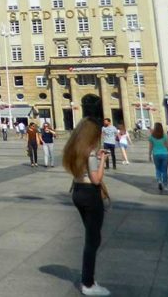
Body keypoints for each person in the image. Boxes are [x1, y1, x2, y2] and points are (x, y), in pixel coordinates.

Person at [63, 118, 111, 296]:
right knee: (93, 239)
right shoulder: (89, 152)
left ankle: (88, 277)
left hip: (78, 192)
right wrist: (102, 160)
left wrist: (95, 159)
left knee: (91, 236)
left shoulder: (74, 150)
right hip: (90, 194)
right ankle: (88, 283)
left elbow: (82, 170)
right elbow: (96, 179)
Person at [148, 123, 168, 193]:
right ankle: (166, 185)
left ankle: (159, 181)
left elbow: (150, 147)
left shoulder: (151, 136)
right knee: (165, 170)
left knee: (158, 169)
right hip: (165, 154)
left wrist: (149, 155)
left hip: (156, 154)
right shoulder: (164, 136)